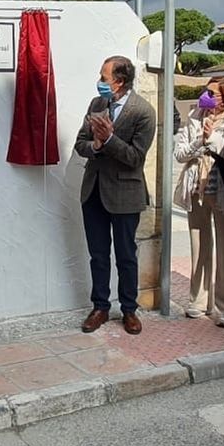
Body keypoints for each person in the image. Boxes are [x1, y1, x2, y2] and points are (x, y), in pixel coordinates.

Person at [75, 56, 157, 335]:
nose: (99, 82)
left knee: (125, 255)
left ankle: (129, 310)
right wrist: (96, 145)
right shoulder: (96, 104)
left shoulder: (143, 112)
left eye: (104, 77)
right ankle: (100, 306)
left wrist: (110, 140)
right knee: (97, 254)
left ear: (119, 81)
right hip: (94, 190)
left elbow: (135, 157)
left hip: (125, 193)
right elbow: (80, 144)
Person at [173, 82, 224, 327]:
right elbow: (179, 154)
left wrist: (211, 139)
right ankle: (199, 301)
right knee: (199, 246)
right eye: (207, 91)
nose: (206, 96)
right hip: (196, 188)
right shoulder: (195, 116)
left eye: (212, 94)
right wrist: (199, 142)